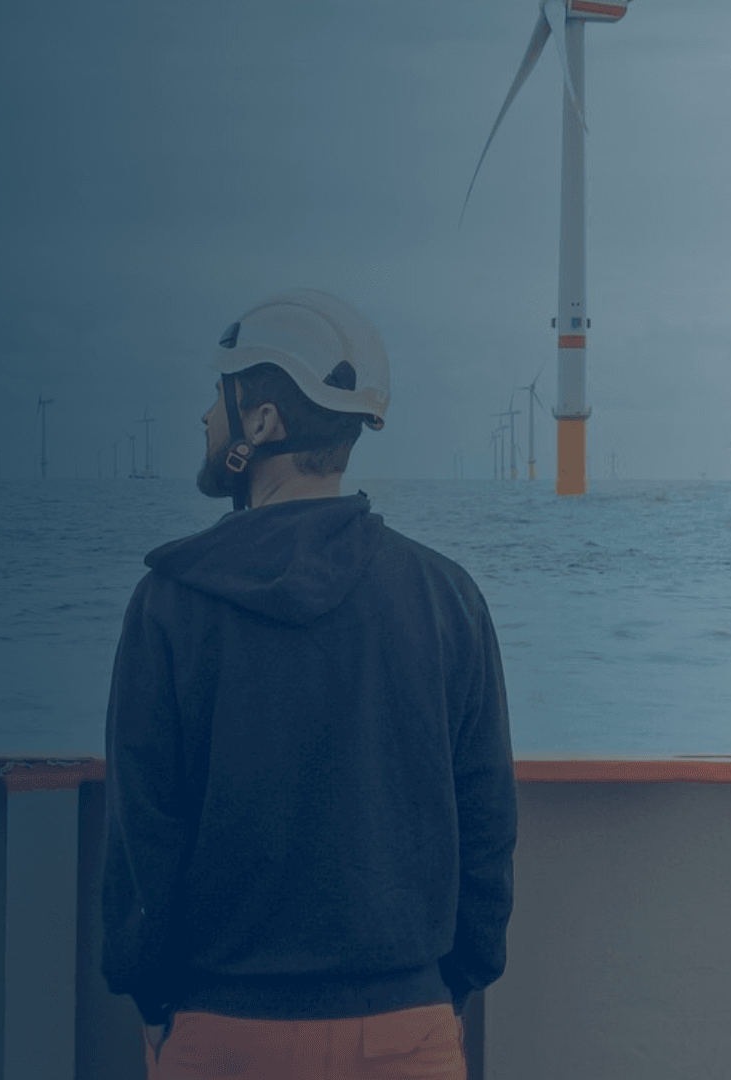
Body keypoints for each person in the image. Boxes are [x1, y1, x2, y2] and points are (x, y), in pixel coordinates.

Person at [101, 289, 518, 1080]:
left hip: (223, 1033)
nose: (205, 416)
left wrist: (152, 998)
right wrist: (447, 988)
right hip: (407, 1029)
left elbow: (142, 835)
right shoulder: (447, 597)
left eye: (220, 395)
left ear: (262, 423)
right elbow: (488, 825)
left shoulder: (168, 604)